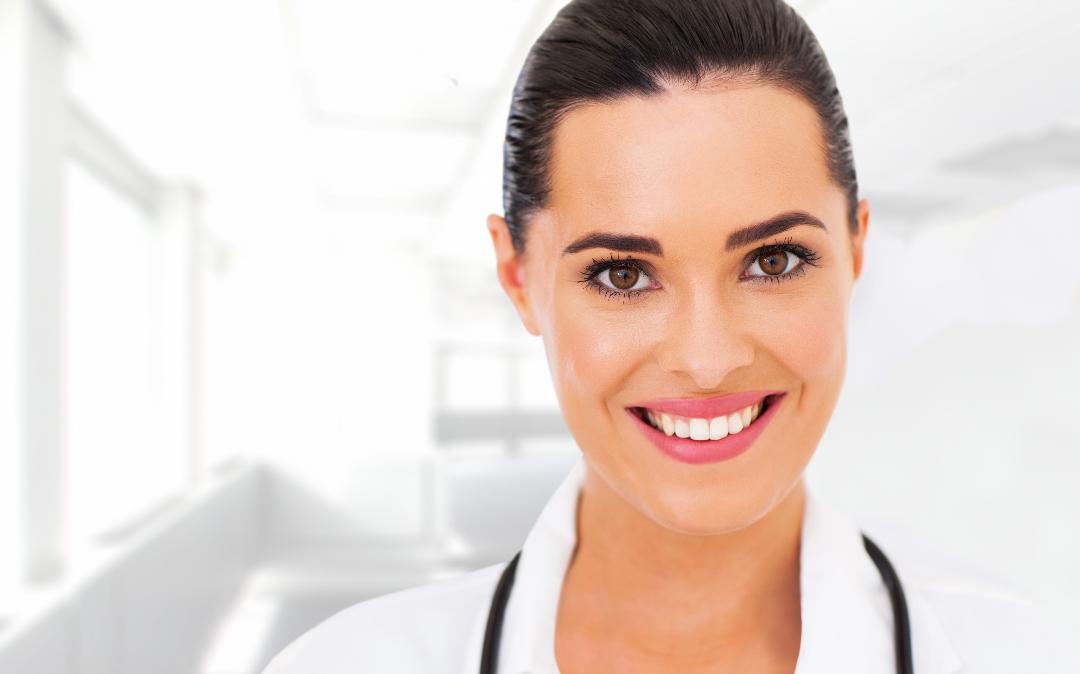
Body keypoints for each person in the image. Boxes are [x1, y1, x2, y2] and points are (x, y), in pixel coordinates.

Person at [262, 1, 1079, 672]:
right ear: (518, 277)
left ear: (856, 249)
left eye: (773, 260)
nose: (707, 358)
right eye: (623, 275)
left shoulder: (1021, 658)